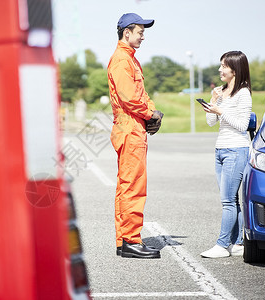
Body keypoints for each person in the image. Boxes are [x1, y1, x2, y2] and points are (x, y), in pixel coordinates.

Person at [107, 13, 163, 259]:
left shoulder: (131, 60)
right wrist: (150, 114)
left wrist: (152, 114)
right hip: (129, 128)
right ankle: (130, 240)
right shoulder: (122, 60)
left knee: (126, 185)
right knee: (133, 186)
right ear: (126, 33)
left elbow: (141, 93)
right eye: (140, 32)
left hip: (133, 127)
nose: (143, 36)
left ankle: (124, 241)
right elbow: (130, 99)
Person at [200, 51, 252, 258]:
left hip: (237, 150)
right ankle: (238, 244)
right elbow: (211, 123)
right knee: (231, 200)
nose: (220, 70)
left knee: (228, 201)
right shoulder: (222, 91)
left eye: (224, 66)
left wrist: (221, 111)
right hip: (220, 150)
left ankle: (222, 245)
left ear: (235, 69)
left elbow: (242, 125)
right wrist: (213, 102)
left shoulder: (243, 93)